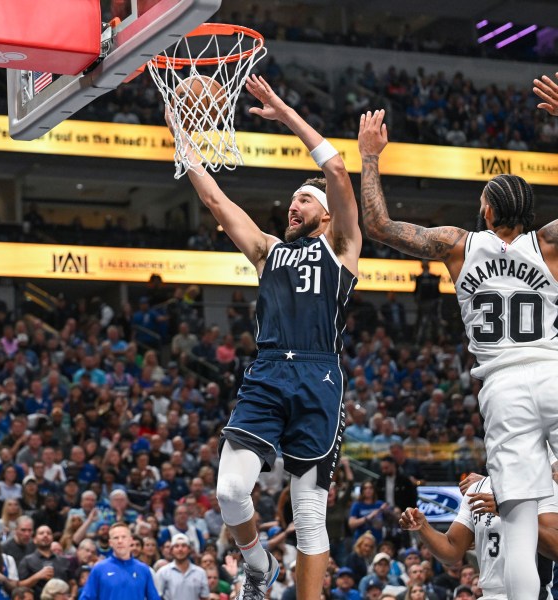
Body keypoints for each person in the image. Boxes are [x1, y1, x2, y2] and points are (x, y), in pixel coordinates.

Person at [357, 78, 558, 600]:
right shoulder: (550, 243)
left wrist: (370, 156)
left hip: (503, 388)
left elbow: (377, 225)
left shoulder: (458, 246)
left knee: (517, 527)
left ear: (488, 211)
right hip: (554, 374)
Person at [167, 74, 361, 600]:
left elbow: (338, 168)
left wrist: (281, 108)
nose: (292, 205)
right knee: (230, 490)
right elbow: (214, 201)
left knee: (310, 512)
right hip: (269, 371)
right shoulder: (268, 251)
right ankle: (257, 568)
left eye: (302, 199)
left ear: (323, 213)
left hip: (320, 375)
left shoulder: (342, 246)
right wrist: (180, 138)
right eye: (291, 199)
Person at [398, 473, 558, 599]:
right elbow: (452, 551)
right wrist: (423, 527)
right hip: (489, 594)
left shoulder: (543, 485)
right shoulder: (478, 488)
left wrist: (510, 513)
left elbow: (555, 548)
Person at [79, 522, 160, 600]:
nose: (120, 541)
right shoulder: (99, 569)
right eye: (116, 538)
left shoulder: (144, 570)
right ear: (110, 543)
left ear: (130, 541)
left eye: (124, 537)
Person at [156, 533, 209, 600]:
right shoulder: (163, 572)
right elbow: (157, 596)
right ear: (171, 550)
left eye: (184, 546)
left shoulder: (200, 573)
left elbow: (204, 597)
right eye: (176, 546)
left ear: (189, 549)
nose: (180, 549)